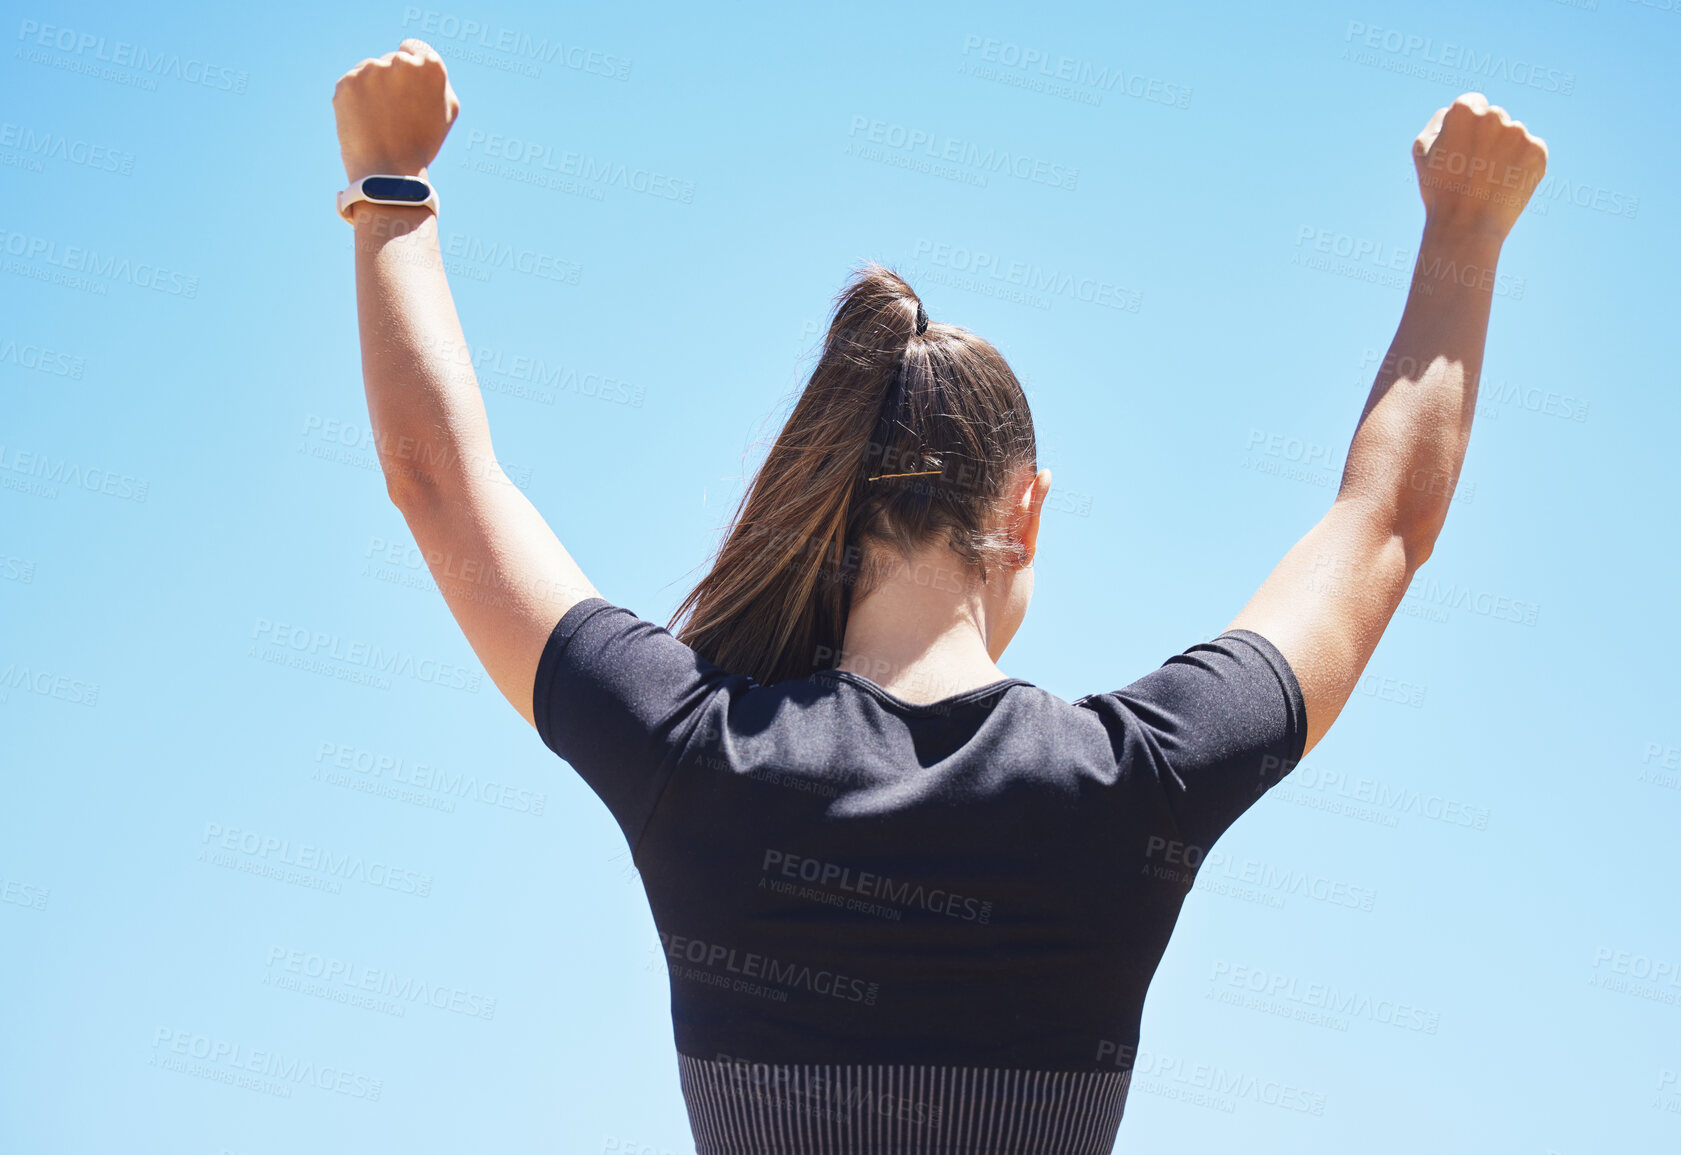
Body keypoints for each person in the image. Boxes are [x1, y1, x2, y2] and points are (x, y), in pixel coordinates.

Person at [333, 39, 1546, 1154]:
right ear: (1024, 513)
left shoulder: (690, 753)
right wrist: (1465, 234)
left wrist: (391, 186)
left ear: (833, 496)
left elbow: (439, 481)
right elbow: (1385, 520)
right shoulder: (1139, 781)